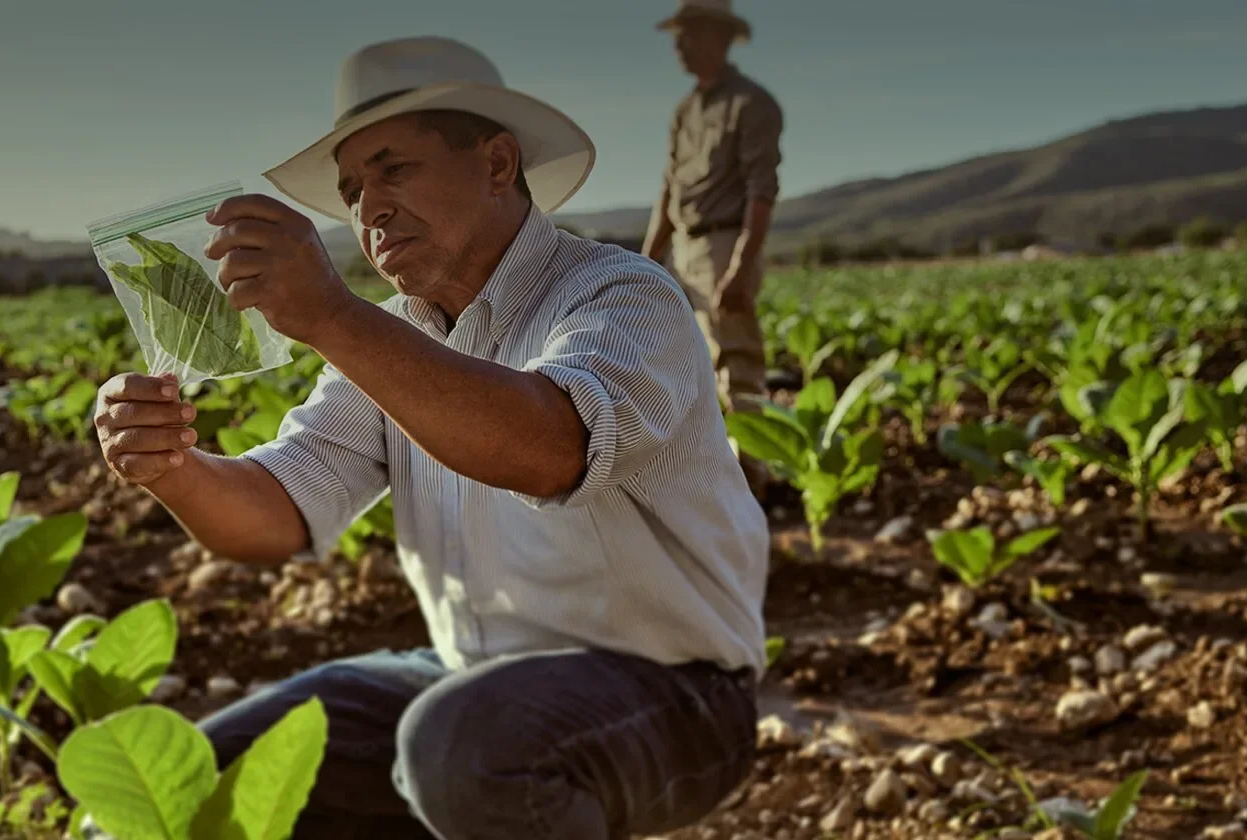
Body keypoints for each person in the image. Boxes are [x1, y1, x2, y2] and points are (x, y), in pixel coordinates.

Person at [94, 35, 768, 840]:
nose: (368, 207)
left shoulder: (622, 297)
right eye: (351, 189)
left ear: (496, 164)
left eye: (394, 169)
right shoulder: (390, 341)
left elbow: (548, 448)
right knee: (198, 786)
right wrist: (169, 466)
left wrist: (332, 316)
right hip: (468, 680)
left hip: (674, 695)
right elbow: (276, 514)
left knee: (462, 748)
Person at [638, 0, 783, 495]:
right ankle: (708, 473)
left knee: (735, 362)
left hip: (725, 245)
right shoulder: (685, 111)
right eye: (677, 36)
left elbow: (761, 190)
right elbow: (668, 190)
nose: (678, 45)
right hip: (683, 247)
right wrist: (645, 259)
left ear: (718, 38)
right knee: (682, 363)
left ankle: (752, 480)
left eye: (689, 34)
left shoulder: (751, 104)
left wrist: (739, 269)